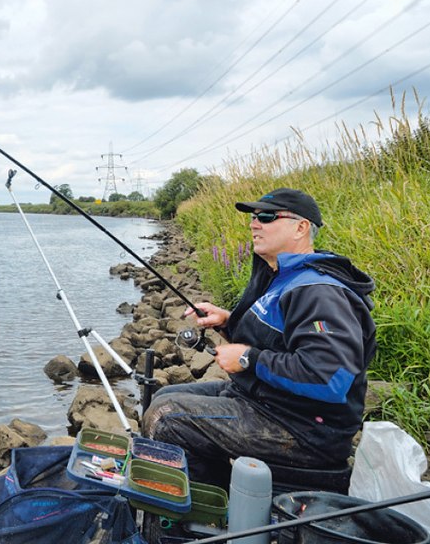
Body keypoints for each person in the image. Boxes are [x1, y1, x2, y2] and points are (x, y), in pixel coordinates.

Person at [140, 187, 377, 488]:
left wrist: (246, 358)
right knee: (163, 396)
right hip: (263, 400)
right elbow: (277, 339)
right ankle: (218, 487)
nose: (254, 224)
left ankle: (208, 517)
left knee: (165, 417)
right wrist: (226, 322)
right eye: (253, 217)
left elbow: (328, 378)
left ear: (301, 227)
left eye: (266, 217)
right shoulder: (283, 277)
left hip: (302, 427)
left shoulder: (319, 292)